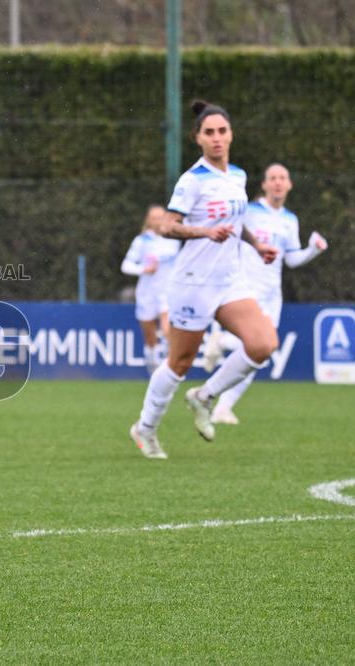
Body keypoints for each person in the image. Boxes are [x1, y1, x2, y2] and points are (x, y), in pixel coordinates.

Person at [128, 100, 279, 460]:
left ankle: (205, 396)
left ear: (231, 135)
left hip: (229, 281)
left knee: (263, 344)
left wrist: (257, 246)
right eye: (208, 132)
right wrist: (203, 232)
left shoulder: (238, 176)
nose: (216, 138)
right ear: (197, 138)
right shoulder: (192, 180)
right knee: (179, 363)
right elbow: (167, 226)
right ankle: (145, 428)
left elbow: (236, 223)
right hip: (193, 283)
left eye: (222, 131)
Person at [199, 163, 328, 424]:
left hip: (272, 293)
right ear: (265, 185)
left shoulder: (290, 220)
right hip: (246, 286)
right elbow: (229, 232)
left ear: (290, 184)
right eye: (273, 178)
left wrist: (314, 249)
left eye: (283, 178)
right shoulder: (250, 211)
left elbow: (291, 260)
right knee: (255, 344)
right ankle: (222, 343)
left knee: (259, 353)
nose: (278, 182)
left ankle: (223, 407)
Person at [121, 205, 182, 373]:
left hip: (167, 292)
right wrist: (144, 270)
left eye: (161, 217)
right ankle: (153, 365)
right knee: (150, 339)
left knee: (167, 328)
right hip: (147, 294)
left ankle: (168, 367)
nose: (158, 221)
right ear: (149, 221)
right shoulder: (141, 241)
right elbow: (125, 266)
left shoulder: (173, 239)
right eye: (154, 217)